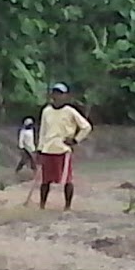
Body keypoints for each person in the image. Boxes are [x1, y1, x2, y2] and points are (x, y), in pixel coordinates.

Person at [36, 83, 92, 211]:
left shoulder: (70, 111)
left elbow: (86, 127)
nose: (57, 96)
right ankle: (42, 205)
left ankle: (67, 206)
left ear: (65, 96)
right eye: (55, 93)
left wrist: (75, 140)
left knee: (67, 179)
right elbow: (43, 131)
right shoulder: (47, 111)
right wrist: (39, 149)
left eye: (60, 93)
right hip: (48, 149)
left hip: (63, 150)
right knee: (45, 181)